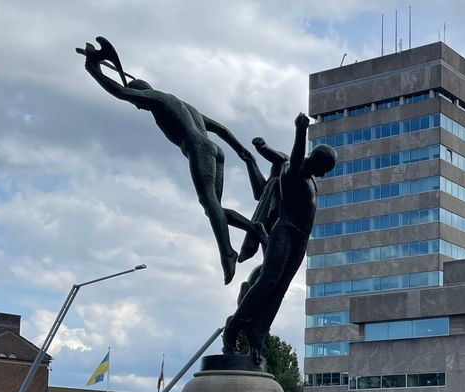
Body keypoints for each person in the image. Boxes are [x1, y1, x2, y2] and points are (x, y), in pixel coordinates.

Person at [81, 37, 260, 285]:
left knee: (210, 205)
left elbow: (120, 91)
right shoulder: (184, 105)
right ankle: (255, 229)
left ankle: (227, 253)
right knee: (214, 209)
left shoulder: (157, 100)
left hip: (198, 149)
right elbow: (219, 128)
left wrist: (94, 69)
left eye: (140, 104)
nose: (140, 108)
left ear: (142, 94)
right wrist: (241, 150)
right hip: (215, 149)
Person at [224, 113, 336, 365]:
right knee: (268, 280)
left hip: (300, 240)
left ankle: (257, 336)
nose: (325, 175)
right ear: (315, 161)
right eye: (325, 169)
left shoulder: (303, 173)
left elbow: (282, 157)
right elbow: (294, 159)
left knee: (280, 289)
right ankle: (235, 325)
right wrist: (300, 130)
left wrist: (263, 148)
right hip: (286, 232)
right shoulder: (294, 172)